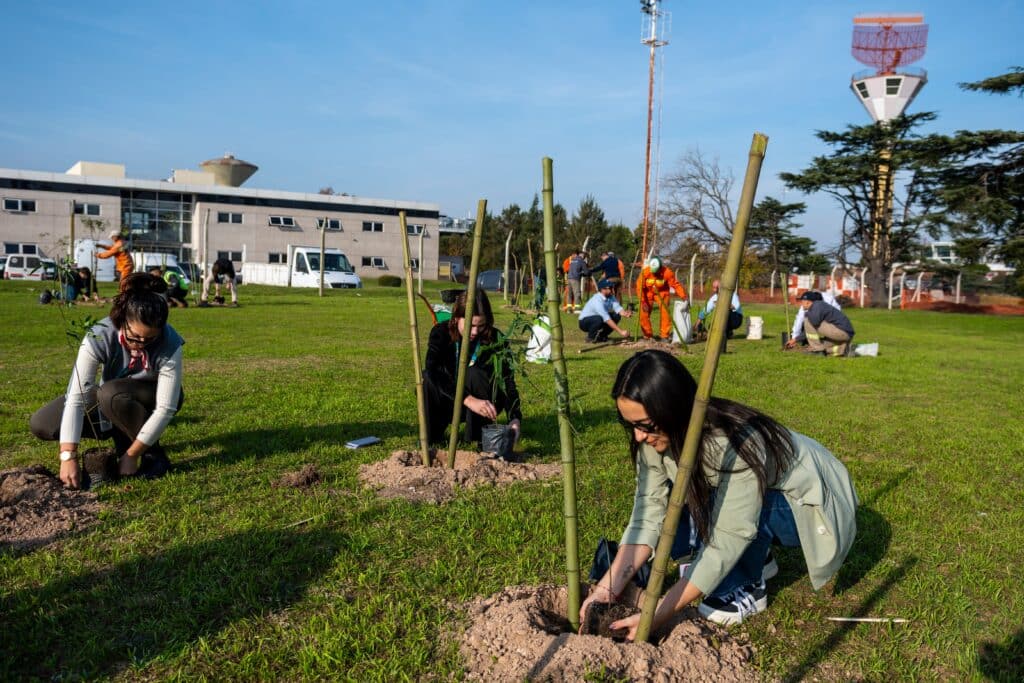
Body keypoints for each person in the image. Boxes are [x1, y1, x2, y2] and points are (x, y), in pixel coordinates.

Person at [580, 350, 858, 636]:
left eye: (645, 426)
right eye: (630, 425)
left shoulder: (734, 445)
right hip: (768, 496)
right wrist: (606, 590)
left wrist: (657, 614)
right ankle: (756, 555)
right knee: (681, 524)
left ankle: (743, 587)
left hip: (814, 503)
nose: (638, 436)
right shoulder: (653, 441)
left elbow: (728, 535)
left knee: (724, 514)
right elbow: (647, 518)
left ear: (672, 410)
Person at [30, 272, 185, 489]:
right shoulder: (99, 336)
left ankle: (152, 454)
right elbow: (76, 398)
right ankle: (118, 432)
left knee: (111, 393)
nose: (141, 344)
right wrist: (68, 456)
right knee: (42, 423)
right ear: (122, 321)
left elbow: (166, 408)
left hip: (148, 396)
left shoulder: (169, 341)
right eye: (134, 338)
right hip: (109, 396)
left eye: (150, 339)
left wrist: (132, 455)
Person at [422, 290, 522, 448]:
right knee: (426, 379)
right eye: (470, 325)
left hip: (482, 402)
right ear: (456, 317)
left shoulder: (496, 339)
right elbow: (431, 371)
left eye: (480, 325)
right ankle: (431, 435)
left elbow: (507, 380)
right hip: (449, 399)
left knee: (475, 373)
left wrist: (515, 418)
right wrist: (467, 399)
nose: (475, 332)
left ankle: (479, 437)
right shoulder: (440, 333)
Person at [636, 256, 688, 341]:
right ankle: (647, 335)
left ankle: (664, 336)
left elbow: (676, 285)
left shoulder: (667, 272)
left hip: (662, 292)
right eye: (653, 272)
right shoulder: (645, 272)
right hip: (647, 293)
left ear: (660, 268)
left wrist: (683, 296)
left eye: (656, 272)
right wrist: (643, 302)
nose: (654, 274)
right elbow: (639, 287)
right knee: (643, 313)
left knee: (665, 313)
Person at [794, 291, 855, 356]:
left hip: (842, 333)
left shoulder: (816, 306)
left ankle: (817, 350)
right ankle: (844, 349)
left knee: (808, 320)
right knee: (823, 346)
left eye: (802, 302)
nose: (801, 304)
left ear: (807, 302)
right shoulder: (819, 306)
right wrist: (796, 339)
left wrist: (807, 314)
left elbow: (814, 323)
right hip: (846, 334)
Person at [578, 279, 633, 343]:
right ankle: (590, 338)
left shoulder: (611, 297)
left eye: (611, 287)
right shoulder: (597, 300)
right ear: (602, 290)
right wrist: (621, 332)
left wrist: (625, 313)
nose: (612, 289)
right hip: (584, 322)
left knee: (616, 316)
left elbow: (618, 308)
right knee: (599, 319)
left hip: (599, 318)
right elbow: (607, 319)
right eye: (609, 288)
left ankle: (602, 336)